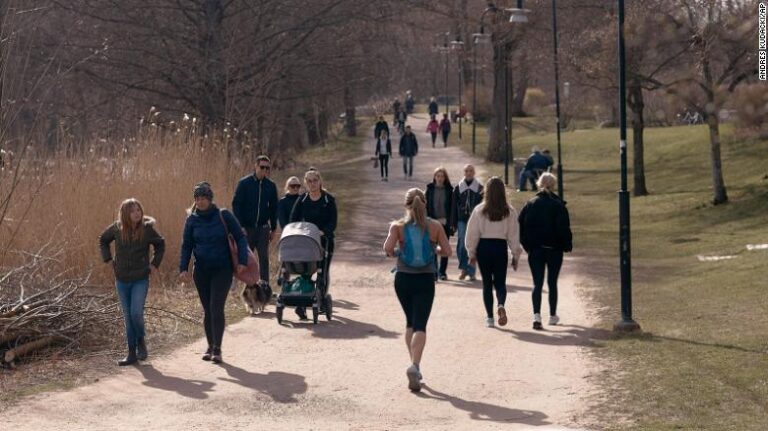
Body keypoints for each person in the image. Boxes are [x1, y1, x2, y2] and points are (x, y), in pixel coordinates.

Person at [383, 188, 451, 392]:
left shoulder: (398, 226)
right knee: (421, 324)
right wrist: (434, 249)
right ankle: (415, 365)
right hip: (425, 279)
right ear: (425, 203)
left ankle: (414, 363)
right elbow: (447, 251)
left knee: (410, 322)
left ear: (406, 205)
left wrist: (397, 251)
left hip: (403, 279)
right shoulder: (435, 226)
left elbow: (387, 249)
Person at [180, 182, 249, 363]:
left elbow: (241, 238)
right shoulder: (191, 220)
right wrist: (183, 269)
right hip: (201, 271)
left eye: (203, 198)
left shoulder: (223, 215)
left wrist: (242, 261)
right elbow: (186, 246)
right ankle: (210, 346)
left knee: (216, 307)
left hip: (222, 269)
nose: (200, 201)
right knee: (207, 310)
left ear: (210, 199)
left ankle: (217, 349)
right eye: (197, 198)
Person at [99, 198, 165, 366]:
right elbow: (103, 240)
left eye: (138, 210)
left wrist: (154, 264)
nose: (137, 213)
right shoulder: (116, 228)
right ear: (125, 214)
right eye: (133, 211)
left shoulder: (147, 229)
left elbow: (160, 244)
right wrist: (108, 260)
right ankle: (131, 354)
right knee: (128, 317)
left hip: (140, 279)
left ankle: (141, 341)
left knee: (136, 312)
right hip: (121, 279)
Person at [465, 177, 523, 328]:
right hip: (500, 247)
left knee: (486, 284)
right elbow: (514, 235)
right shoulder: (509, 211)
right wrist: (515, 255)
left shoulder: (479, 210)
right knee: (500, 282)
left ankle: (490, 318)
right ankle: (501, 304)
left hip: (484, 247)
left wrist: (471, 253)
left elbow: (472, 234)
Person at [518, 173, 573, 330]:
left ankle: (536, 315)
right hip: (554, 250)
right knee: (552, 282)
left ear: (539, 184)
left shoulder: (530, 204)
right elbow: (564, 228)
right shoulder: (558, 205)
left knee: (537, 283)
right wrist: (566, 245)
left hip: (535, 250)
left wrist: (527, 246)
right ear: (554, 185)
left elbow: (520, 226)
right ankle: (552, 315)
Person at [290, 169, 338, 320]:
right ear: (305, 183)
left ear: (320, 181)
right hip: (307, 242)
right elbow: (293, 217)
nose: (312, 184)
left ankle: (322, 300)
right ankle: (302, 304)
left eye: (315, 180)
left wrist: (324, 231)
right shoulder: (303, 199)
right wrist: (298, 230)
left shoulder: (328, 199)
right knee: (306, 272)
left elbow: (333, 221)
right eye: (309, 181)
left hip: (325, 242)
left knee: (322, 273)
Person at [232, 155, 278, 285]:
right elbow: (236, 204)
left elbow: (274, 207)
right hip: (246, 228)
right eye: (262, 167)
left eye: (267, 168)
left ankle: (264, 287)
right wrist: (239, 226)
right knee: (246, 258)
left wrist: (274, 228)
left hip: (263, 228)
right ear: (256, 166)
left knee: (263, 258)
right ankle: (247, 286)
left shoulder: (271, 186)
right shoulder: (244, 183)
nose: (264, 170)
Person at [451, 164, 483, 281]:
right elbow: (453, 207)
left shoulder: (480, 188)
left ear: (474, 173)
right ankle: (464, 268)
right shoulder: (458, 188)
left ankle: (471, 271)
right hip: (461, 220)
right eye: (466, 171)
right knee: (461, 243)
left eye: (471, 171)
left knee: (473, 244)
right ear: (464, 173)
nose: (469, 173)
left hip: (475, 220)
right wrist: (453, 223)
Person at [426, 167, 453, 281]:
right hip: (432, 222)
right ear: (434, 177)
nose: (440, 178)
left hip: (445, 222)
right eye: (438, 176)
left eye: (442, 176)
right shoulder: (429, 189)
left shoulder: (449, 190)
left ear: (445, 178)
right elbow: (425, 206)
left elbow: (452, 208)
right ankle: (434, 272)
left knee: (444, 247)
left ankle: (442, 272)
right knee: (433, 248)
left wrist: (450, 222)